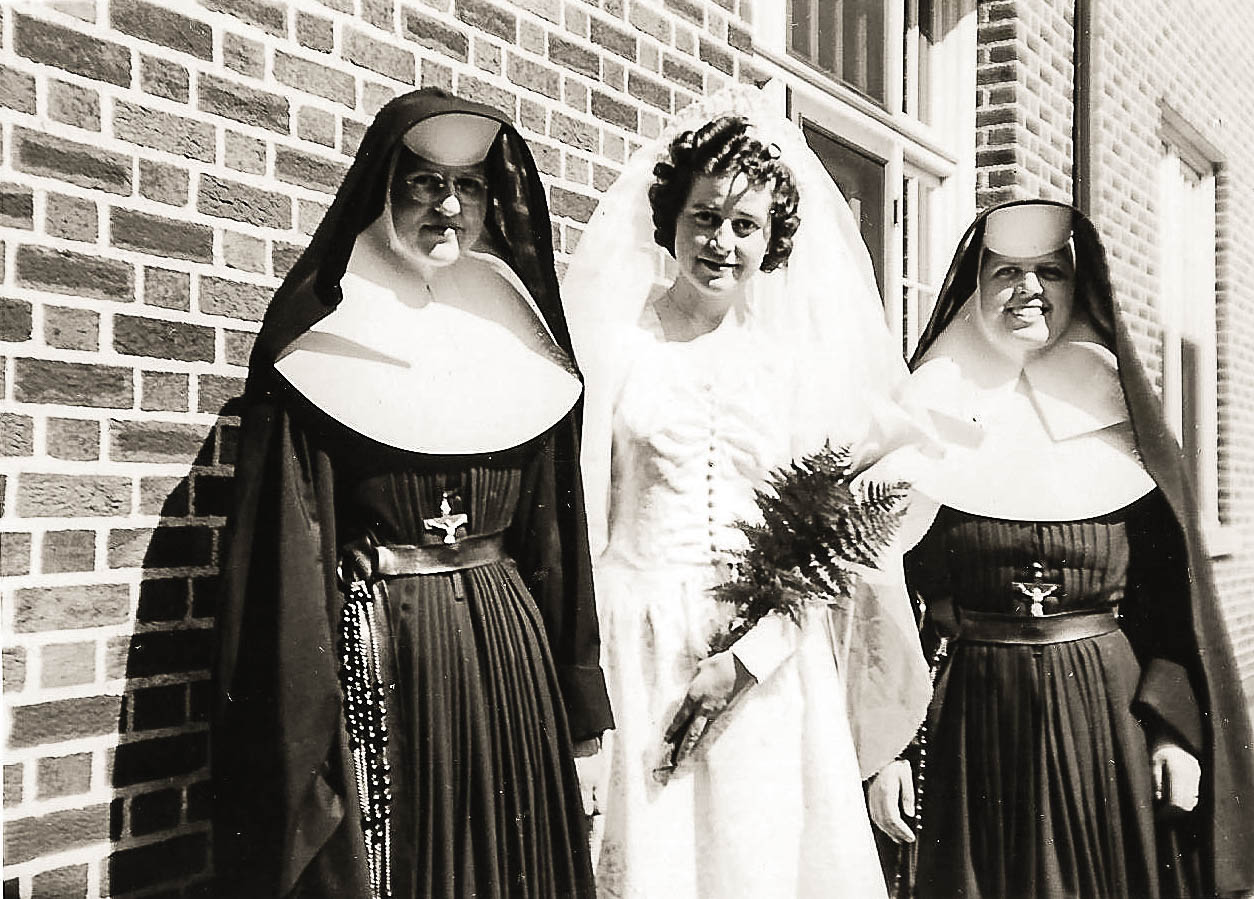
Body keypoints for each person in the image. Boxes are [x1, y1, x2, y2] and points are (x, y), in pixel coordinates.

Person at [212, 87, 613, 899]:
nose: (448, 207)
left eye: (468, 187)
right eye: (424, 182)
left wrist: (579, 709)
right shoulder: (323, 331)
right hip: (387, 653)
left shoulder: (516, 330)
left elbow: (555, 539)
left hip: (508, 655)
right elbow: (291, 550)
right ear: (383, 187)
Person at [562, 88, 931, 899]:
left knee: (755, 862)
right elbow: (581, 518)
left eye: (744, 224)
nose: (721, 242)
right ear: (672, 220)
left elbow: (828, 544)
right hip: (639, 650)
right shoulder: (618, 347)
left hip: (760, 660)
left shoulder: (794, 369)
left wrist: (749, 658)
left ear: (771, 240)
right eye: (705, 217)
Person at [867, 200, 1254, 898]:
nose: (1029, 288)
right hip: (967, 723)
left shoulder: (1122, 422)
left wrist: (1174, 733)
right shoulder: (928, 415)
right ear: (975, 284)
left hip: (1102, 725)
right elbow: (885, 601)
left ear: (1079, 287)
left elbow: (1169, 608)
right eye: (1006, 271)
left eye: (1050, 270)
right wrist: (888, 746)